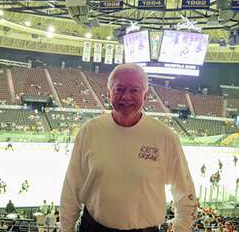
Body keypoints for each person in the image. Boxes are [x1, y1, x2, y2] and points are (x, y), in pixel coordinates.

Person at [60, 63, 197, 232]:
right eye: (119, 89)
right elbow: (71, 187)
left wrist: (181, 228)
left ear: (145, 95)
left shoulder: (165, 137)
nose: (126, 96)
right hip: (94, 227)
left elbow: (185, 191)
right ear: (109, 93)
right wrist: (67, 228)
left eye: (134, 90)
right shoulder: (90, 131)